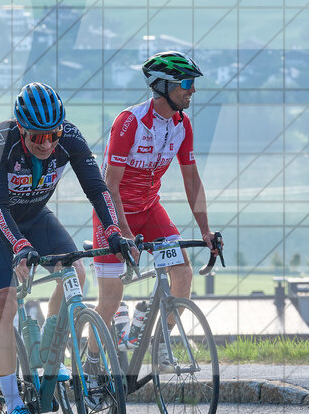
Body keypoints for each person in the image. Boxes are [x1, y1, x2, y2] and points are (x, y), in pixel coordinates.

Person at [0, 82, 134, 414]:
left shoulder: (69, 136)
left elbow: (98, 190)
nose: (46, 144)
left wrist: (115, 231)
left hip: (34, 214)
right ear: (21, 129)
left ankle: (50, 348)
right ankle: (12, 406)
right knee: (4, 302)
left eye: (52, 135)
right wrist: (19, 246)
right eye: (36, 137)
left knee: (76, 272)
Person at [91, 50, 221, 365]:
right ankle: (92, 361)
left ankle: (161, 343)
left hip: (149, 211)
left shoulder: (182, 125)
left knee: (183, 275)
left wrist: (205, 230)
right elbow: (110, 185)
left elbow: (192, 180)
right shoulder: (129, 122)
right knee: (110, 300)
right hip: (113, 213)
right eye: (186, 83)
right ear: (163, 86)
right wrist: (122, 234)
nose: (193, 90)